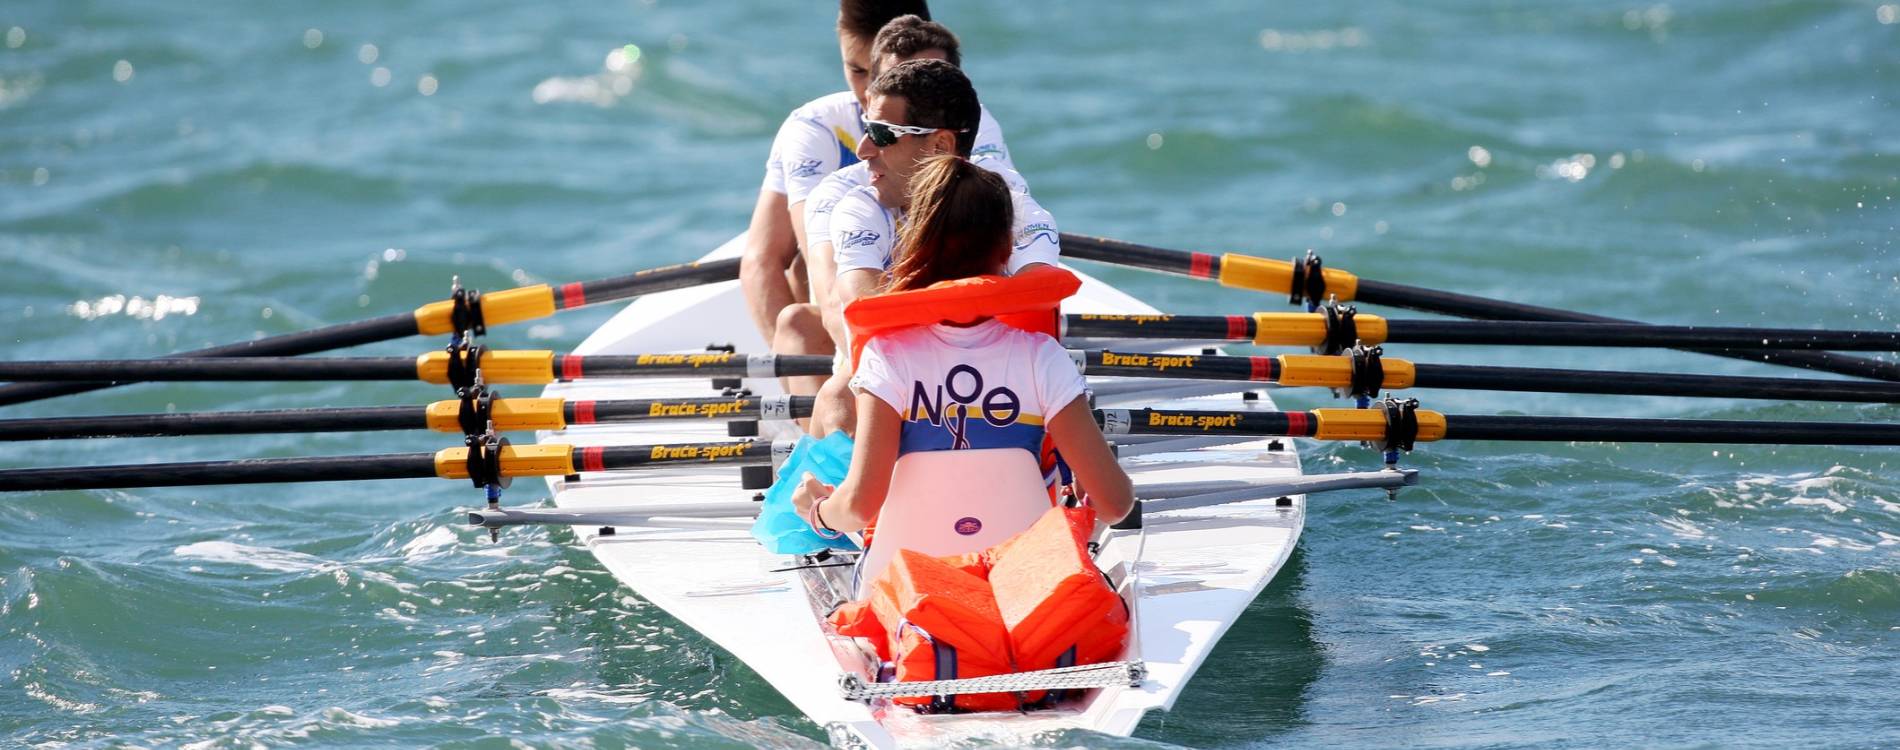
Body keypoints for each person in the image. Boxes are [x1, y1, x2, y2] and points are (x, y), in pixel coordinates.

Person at [790, 155, 1132, 536]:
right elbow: (1115, 505)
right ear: (1006, 251)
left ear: (912, 247)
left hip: (911, 577)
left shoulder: (886, 357)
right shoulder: (1044, 358)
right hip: (1023, 574)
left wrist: (819, 512)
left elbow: (858, 507)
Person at [782, 58, 1059, 435]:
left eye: (881, 134)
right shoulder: (858, 203)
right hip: (892, 385)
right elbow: (861, 312)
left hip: (994, 381)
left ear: (940, 144)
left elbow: (1038, 297)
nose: (863, 150)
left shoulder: (1008, 198)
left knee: (1050, 370)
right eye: (866, 130)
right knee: (837, 398)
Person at [743, 1, 1016, 351]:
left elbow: (1011, 211)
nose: (866, 92)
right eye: (858, 71)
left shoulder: (972, 122)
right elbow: (814, 273)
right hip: (852, 303)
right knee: (797, 305)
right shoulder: (814, 128)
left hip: (933, 293)